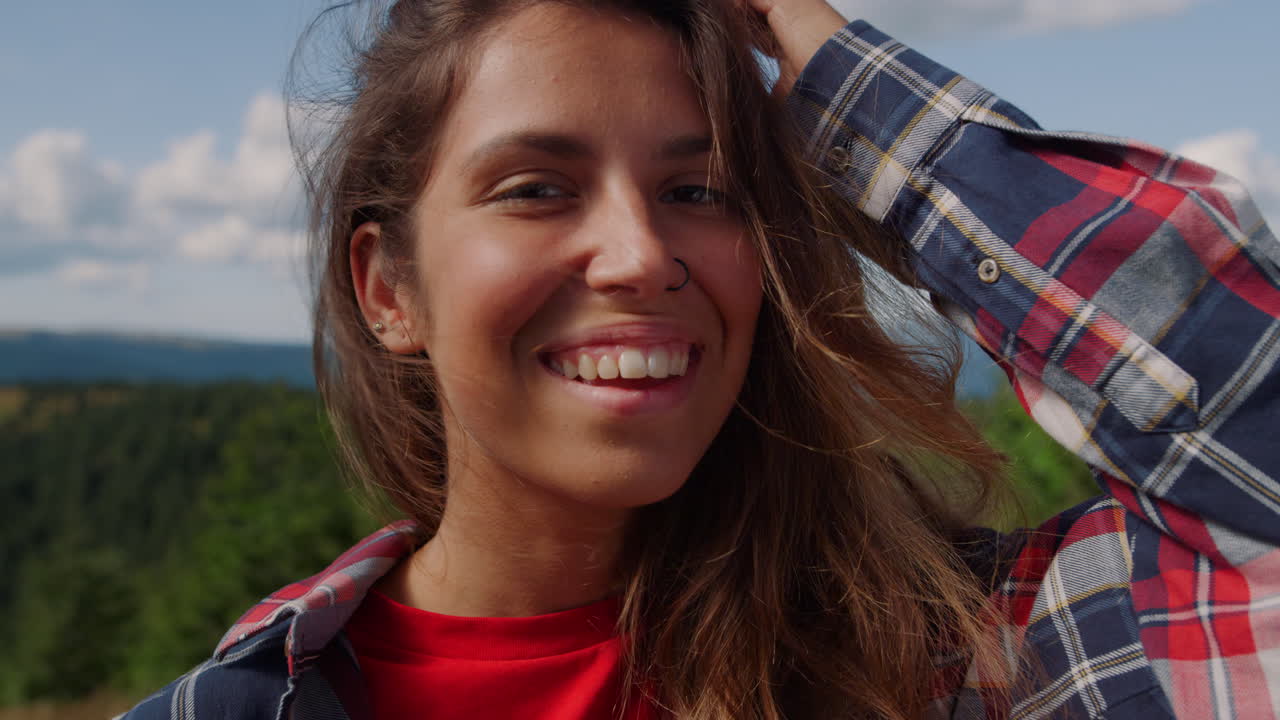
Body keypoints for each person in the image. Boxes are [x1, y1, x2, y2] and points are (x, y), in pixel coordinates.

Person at [119, 0, 1280, 718]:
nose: (637, 255)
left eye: (697, 190)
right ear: (386, 290)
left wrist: (836, 78)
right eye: (534, 189)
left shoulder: (967, 659)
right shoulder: (229, 711)